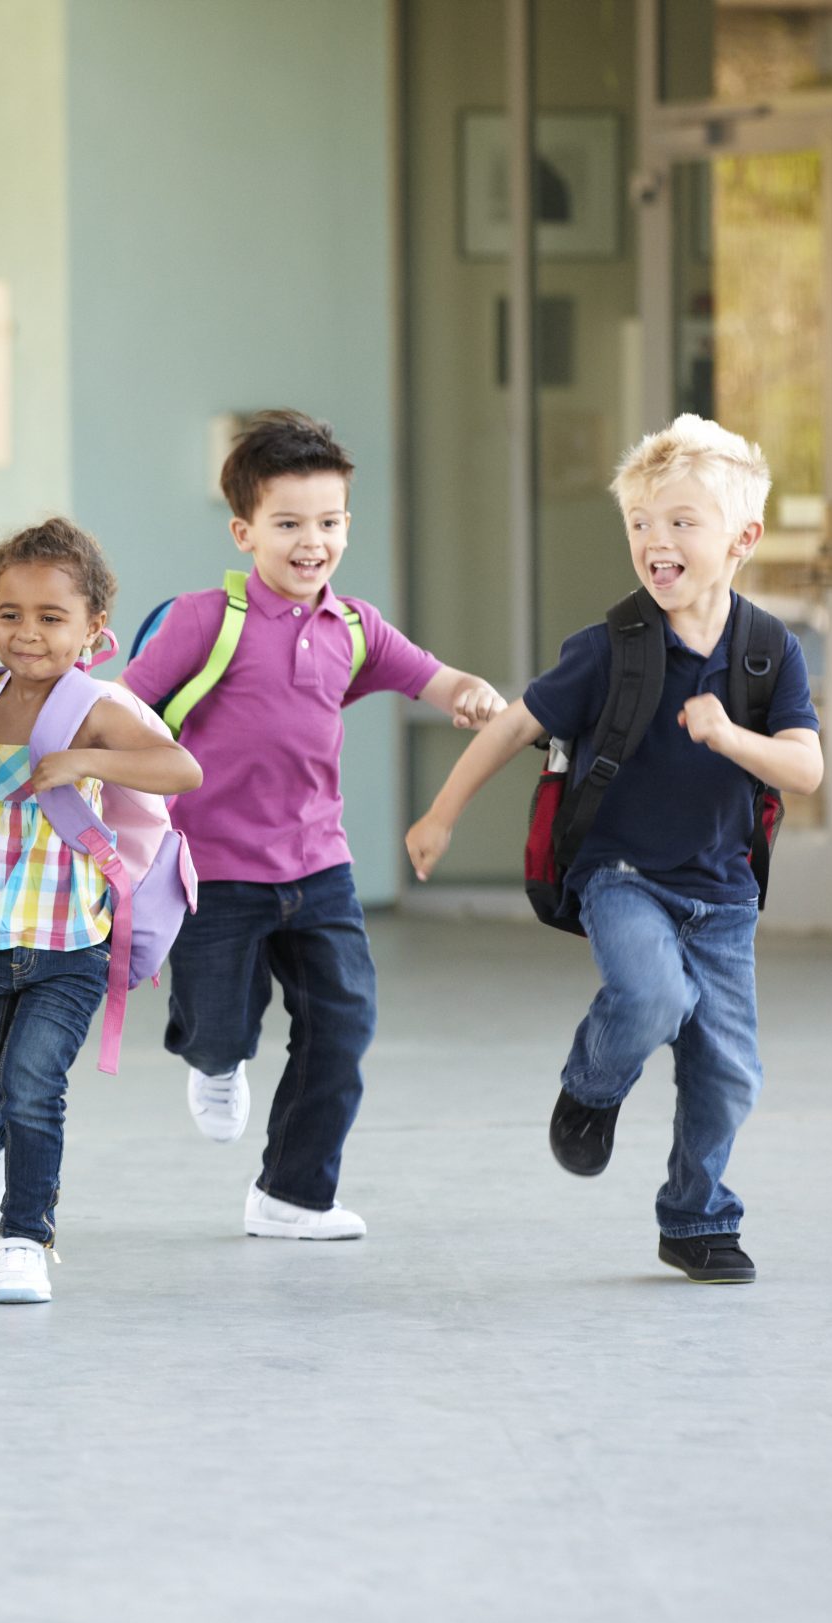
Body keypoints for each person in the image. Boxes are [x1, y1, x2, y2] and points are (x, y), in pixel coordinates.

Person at [405, 414, 822, 1283]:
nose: (654, 540)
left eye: (680, 522)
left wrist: (729, 738)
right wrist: (442, 812)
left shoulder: (768, 653)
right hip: (621, 875)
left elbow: (806, 768)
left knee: (730, 1071)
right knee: (652, 993)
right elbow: (518, 720)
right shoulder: (609, 650)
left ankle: (697, 1219)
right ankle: (591, 1089)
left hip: (723, 894)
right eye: (640, 522)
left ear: (741, 539)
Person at [118, 410, 507, 1240]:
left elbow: (436, 678)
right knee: (221, 1022)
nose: (311, 542)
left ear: (346, 526)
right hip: (212, 867)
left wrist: (472, 694)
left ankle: (292, 1195)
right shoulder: (203, 619)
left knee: (345, 1019)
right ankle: (216, 1059)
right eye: (288, 523)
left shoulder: (355, 627)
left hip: (318, 865)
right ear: (244, 530)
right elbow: (124, 710)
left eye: (328, 523)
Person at [0, 518, 201, 1304]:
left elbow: (182, 768)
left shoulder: (97, 705)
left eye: (52, 618)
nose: (27, 633)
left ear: (94, 629)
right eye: (9, 613)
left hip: (69, 930)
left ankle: (26, 1237)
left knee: (34, 1079)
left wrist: (90, 758)